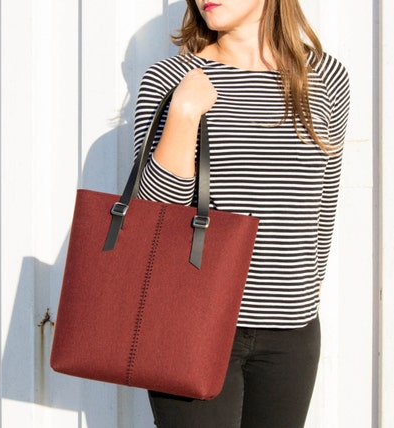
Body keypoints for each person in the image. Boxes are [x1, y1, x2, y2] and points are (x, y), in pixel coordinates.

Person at [133, 0, 350, 426]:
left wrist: (300, 295)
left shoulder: (325, 78)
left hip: (292, 331)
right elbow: (151, 220)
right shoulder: (171, 79)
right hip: (191, 325)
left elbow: (324, 206)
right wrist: (183, 113)